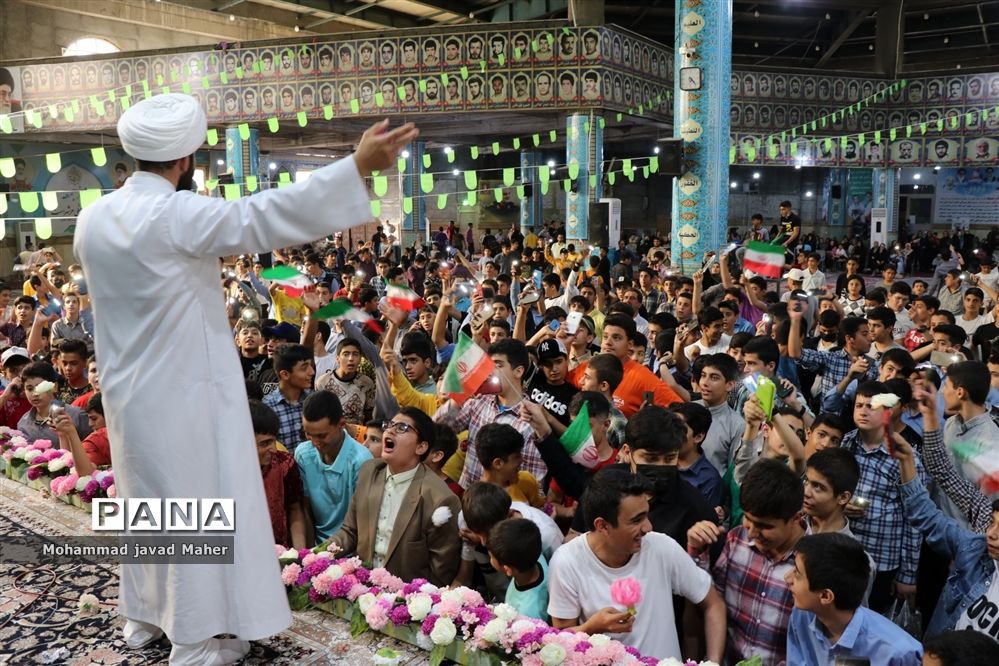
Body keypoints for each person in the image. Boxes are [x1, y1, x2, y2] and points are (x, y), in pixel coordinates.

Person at [74, 92, 416, 663]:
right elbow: (258, 217)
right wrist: (355, 167)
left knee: (147, 506)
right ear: (186, 161)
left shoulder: (92, 218)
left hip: (128, 394)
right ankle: (192, 641)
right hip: (184, 396)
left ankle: (143, 618)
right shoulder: (177, 214)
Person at [548, 468, 726, 662]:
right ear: (602, 526)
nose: (648, 527)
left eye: (647, 516)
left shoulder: (662, 547)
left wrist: (713, 661)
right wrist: (592, 627)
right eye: (636, 520)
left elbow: (713, 603)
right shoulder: (566, 562)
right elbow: (561, 640)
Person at [323, 408, 461, 586]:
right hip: (362, 587)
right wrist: (317, 555)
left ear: (421, 447)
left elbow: (441, 573)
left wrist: (412, 603)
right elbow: (350, 531)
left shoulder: (440, 499)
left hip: (407, 600)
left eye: (402, 428)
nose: (390, 430)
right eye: (389, 425)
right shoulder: (369, 471)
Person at [687, 458, 805, 665]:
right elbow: (711, 602)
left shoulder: (810, 562)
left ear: (796, 518)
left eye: (764, 526)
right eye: (747, 519)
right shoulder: (736, 540)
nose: (751, 532)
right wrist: (697, 551)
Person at [785, 533, 923, 665]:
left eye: (797, 573)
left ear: (826, 596)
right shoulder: (802, 616)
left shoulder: (901, 653)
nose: (787, 577)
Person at [295, 391, 371, 543]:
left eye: (322, 436)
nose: (315, 442)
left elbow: (362, 522)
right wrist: (309, 555)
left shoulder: (361, 461)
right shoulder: (303, 454)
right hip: (316, 550)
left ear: (341, 424)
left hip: (350, 549)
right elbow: (306, 509)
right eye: (308, 434)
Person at [249, 400, 307, 550]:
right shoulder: (223, 473)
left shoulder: (284, 465)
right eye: (264, 443)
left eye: (274, 441)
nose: (273, 449)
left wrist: (299, 554)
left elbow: (295, 510)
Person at [488, 518, 549, 621]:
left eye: (491, 556)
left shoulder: (527, 613)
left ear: (507, 570)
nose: (490, 558)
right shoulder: (534, 554)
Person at [262, 343, 314, 449]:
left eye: (311, 366)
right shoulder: (268, 407)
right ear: (285, 374)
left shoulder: (314, 400)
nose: (312, 372)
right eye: (304, 368)